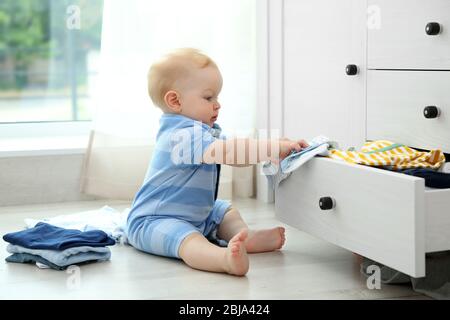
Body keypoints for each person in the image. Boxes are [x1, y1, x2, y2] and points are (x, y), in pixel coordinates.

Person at [126, 48, 308, 276]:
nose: (217, 104)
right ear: (175, 100)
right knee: (188, 240)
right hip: (154, 221)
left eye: (217, 97)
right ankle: (222, 259)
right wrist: (271, 147)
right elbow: (230, 152)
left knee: (222, 210)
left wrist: (271, 149)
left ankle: (245, 237)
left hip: (198, 215)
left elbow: (237, 157)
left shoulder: (202, 133)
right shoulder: (181, 136)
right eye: (208, 97)